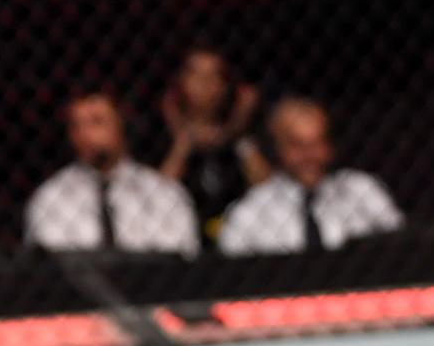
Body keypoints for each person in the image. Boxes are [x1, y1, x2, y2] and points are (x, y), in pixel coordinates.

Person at [218, 98, 404, 255]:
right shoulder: (249, 212)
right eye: (298, 145)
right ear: (276, 149)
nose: (310, 155)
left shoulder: (363, 191)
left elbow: (401, 250)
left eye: (317, 143)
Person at [25, 88, 199, 256]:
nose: (84, 134)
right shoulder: (51, 198)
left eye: (96, 121)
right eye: (76, 126)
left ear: (120, 123)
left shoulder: (164, 194)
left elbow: (181, 257)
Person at [157, 46, 271, 246]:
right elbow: (157, 195)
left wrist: (236, 127)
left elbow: (270, 190)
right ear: (180, 81)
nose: (204, 83)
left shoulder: (243, 136)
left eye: (213, 76)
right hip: (179, 239)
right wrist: (183, 141)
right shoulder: (159, 134)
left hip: (240, 239)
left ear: (225, 86)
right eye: (195, 74)